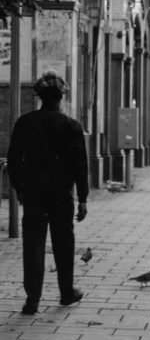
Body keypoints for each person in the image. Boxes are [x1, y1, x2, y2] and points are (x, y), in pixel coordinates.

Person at [7, 72, 89, 315]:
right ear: (61, 98)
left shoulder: (25, 122)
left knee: (33, 245)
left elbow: (13, 160)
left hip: (33, 194)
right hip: (61, 197)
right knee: (63, 244)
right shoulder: (71, 126)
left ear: (40, 98)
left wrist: (20, 188)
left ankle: (32, 299)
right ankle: (66, 293)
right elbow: (80, 165)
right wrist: (82, 198)